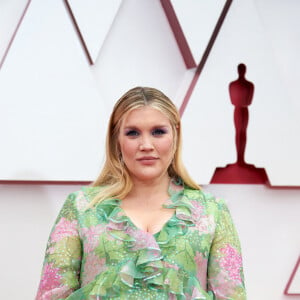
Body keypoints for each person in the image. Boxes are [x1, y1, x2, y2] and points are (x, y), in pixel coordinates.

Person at [36, 87, 246, 299]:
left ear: (175, 135)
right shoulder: (82, 208)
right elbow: (52, 296)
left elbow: (232, 296)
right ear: (117, 139)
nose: (146, 145)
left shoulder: (211, 212)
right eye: (133, 133)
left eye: (158, 132)